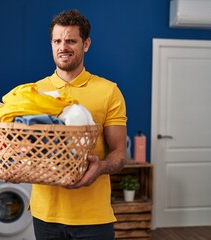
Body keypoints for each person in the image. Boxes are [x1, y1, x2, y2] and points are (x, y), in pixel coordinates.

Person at [30, 9, 128, 240]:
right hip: (46, 213)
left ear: (86, 44)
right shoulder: (34, 91)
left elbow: (119, 154)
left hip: (93, 216)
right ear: (51, 44)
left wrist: (100, 167)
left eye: (71, 41)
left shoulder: (108, 91)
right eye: (57, 41)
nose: (63, 47)